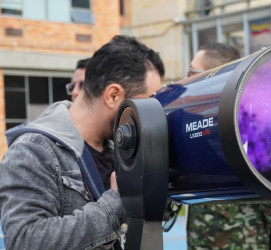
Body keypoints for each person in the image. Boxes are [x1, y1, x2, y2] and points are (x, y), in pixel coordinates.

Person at [0, 35, 165, 249]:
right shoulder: (33, 150)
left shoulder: (119, 148)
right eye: (148, 101)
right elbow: (25, 241)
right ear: (113, 95)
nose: (153, 111)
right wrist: (117, 203)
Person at [186, 42, 271, 249]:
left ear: (215, 77)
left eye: (192, 71)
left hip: (243, 241)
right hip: (202, 239)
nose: (186, 77)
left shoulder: (254, 127)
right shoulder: (197, 124)